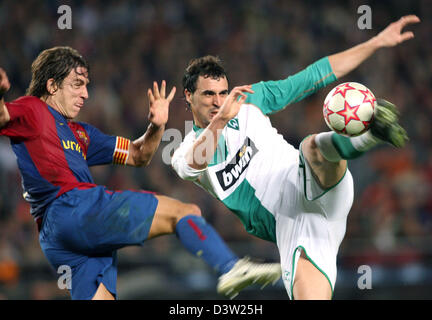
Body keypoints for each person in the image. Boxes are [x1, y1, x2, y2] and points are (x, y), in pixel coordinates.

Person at [0, 46, 282, 300]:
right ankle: (231, 267)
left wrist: (156, 126)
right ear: (51, 85)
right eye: (77, 85)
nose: (85, 94)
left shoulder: (81, 134)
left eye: (86, 85)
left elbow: (139, 156)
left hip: (59, 236)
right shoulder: (33, 108)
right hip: (75, 209)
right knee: (184, 212)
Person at [171, 15, 420, 299]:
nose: (219, 101)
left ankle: (371, 135)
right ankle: (367, 135)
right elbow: (194, 163)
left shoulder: (249, 100)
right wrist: (220, 122)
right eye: (208, 95)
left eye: (223, 93)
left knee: (310, 147)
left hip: (308, 182)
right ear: (188, 96)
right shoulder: (184, 150)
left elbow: (314, 76)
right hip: (295, 225)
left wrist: (376, 42)